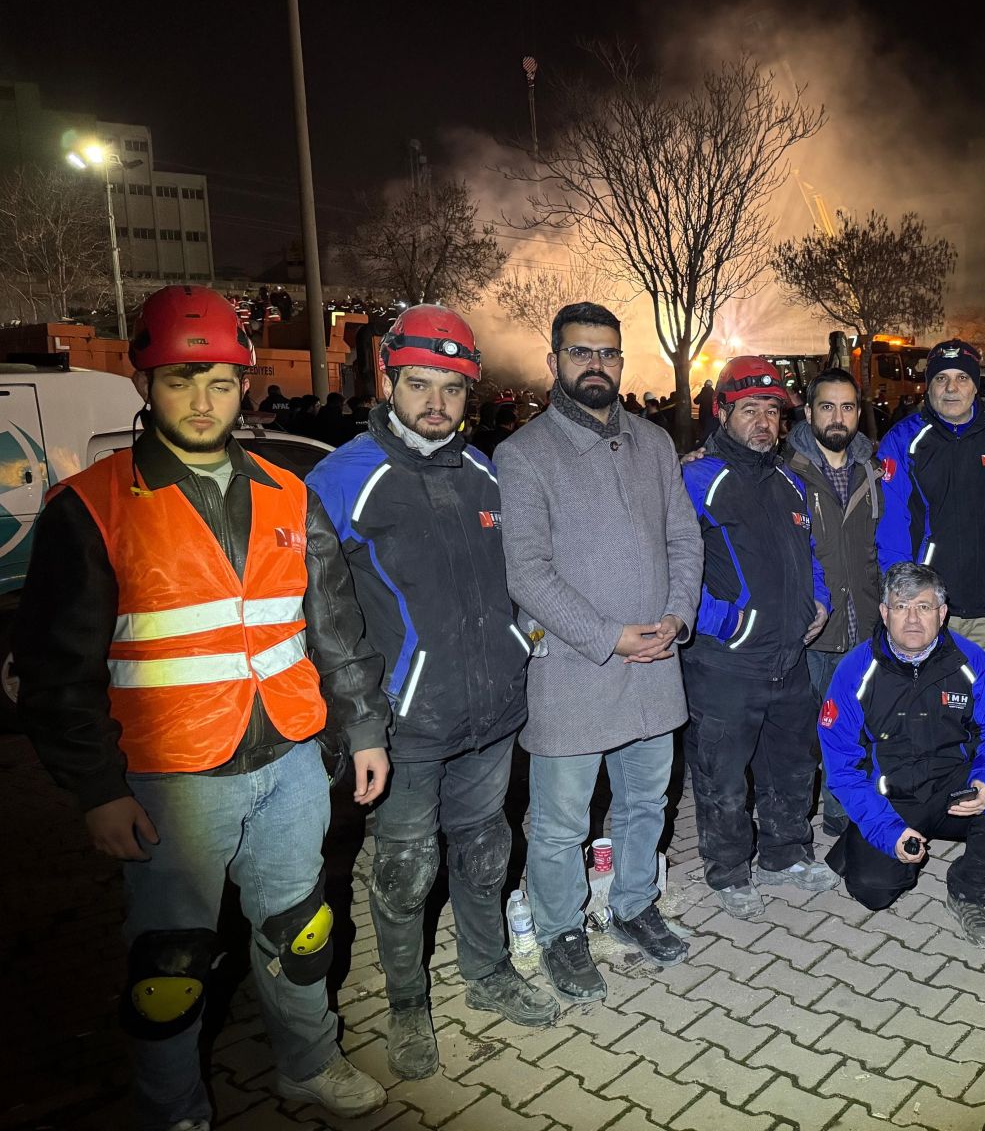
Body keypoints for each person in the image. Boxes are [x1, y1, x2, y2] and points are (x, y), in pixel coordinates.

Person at [17, 285, 392, 1128]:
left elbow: (333, 628)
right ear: (145, 383)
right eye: (181, 380)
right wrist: (97, 790)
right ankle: (173, 1108)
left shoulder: (289, 495)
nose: (201, 400)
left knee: (301, 930)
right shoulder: (92, 506)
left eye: (220, 382)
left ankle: (309, 1064)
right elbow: (54, 675)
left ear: (242, 386)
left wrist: (364, 728)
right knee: (171, 963)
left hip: (291, 762)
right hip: (171, 782)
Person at [306, 305, 558, 1081]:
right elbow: (323, 620)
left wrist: (524, 644)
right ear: (387, 380)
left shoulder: (485, 472)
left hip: (490, 716)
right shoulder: (340, 481)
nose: (437, 403)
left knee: (484, 852)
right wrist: (359, 727)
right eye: (420, 384)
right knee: (404, 872)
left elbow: (524, 576)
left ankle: (488, 972)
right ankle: (408, 1005)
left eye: (452, 388)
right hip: (403, 727)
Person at [497, 302, 703, 1003]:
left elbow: (684, 540)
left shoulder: (654, 444)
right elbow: (527, 573)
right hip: (574, 669)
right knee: (561, 823)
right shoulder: (524, 454)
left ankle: (635, 903)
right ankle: (561, 931)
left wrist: (676, 617)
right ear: (554, 361)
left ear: (621, 362)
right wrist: (607, 636)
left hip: (655, 663)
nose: (596, 364)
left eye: (608, 353)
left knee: (647, 801)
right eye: (581, 352)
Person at [681, 357, 834, 916]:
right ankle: (728, 871)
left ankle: (785, 854)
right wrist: (726, 623)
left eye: (772, 411)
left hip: (788, 657)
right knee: (722, 777)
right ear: (723, 413)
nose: (764, 422)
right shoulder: (695, 479)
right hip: (725, 664)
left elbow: (808, 553)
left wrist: (819, 601)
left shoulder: (789, 482)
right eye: (750, 409)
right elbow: (674, 569)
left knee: (792, 766)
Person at [818, 563, 985, 945]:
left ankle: (966, 892)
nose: (913, 619)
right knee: (873, 890)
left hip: (955, 788)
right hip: (892, 793)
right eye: (901, 607)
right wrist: (888, 832)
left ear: (942, 613)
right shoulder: (854, 670)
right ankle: (867, 835)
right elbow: (842, 768)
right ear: (884, 613)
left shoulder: (970, 659)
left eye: (924, 607)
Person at [784, 367, 884, 838]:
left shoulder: (873, 470)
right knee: (803, 734)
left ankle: (841, 820)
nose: (837, 417)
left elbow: (883, 546)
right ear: (808, 412)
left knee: (853, 731)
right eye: (827, 406)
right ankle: (792, 830)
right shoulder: (786, 471)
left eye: (847, 407)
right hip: (813, 631)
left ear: (858, 413)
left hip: (863, 624)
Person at [877, 339, 985, 670]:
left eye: (962, 378)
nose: (951, 388)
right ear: (929, 387)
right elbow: (891, 521)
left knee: (981, 694)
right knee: (926, 694)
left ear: (976, 386)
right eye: (941, 378)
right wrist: (901, 594)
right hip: (924, 606)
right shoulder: (903, 439)